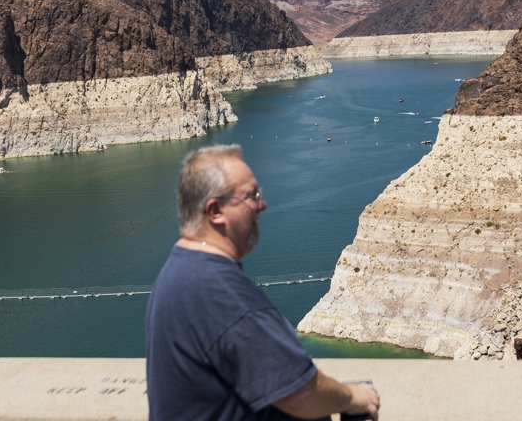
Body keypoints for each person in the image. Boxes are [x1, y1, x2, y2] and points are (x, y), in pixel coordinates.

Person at [146, 144, 380, 421]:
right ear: (215, 211)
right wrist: (354, 397)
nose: (262, 204)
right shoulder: (224, 295)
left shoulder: (180, 266)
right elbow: (301, 393)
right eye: (251, 196)